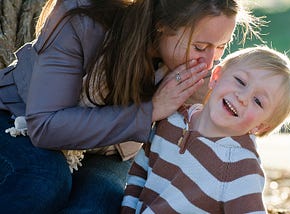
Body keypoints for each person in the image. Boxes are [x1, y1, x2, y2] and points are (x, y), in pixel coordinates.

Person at [0, 0, 261, 213]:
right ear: (162, 27)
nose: (208, 61)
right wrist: (151, 110)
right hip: (18, 119)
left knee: (97, 203)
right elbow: (45, 125)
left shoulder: (198, 72)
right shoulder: (82, 20)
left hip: (110, 151)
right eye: (200, 47)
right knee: (44, 181)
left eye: (220, 48)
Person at [121, 46, 290, 213]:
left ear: (259, 126)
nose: (243, 97)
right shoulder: (172, 119)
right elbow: (139, 172)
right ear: (216, 77)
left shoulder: (240, 166)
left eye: (258, 101)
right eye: (240, 81)